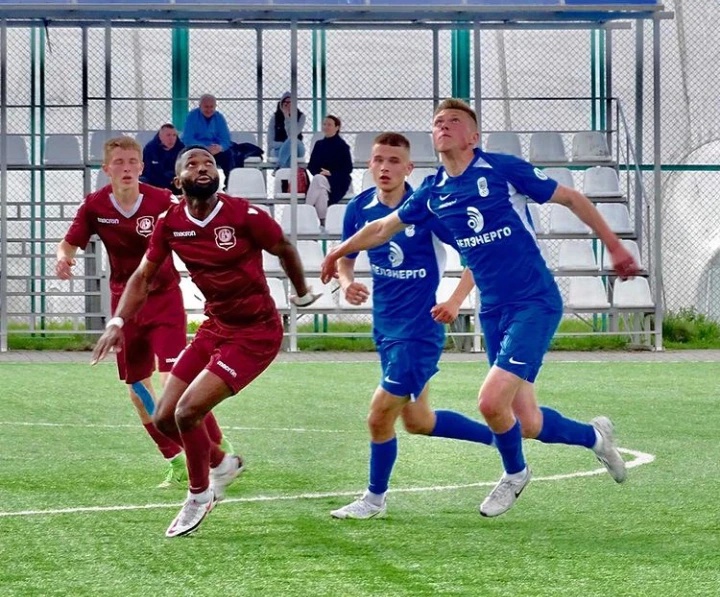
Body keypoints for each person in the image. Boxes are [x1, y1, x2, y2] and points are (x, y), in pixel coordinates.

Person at [321, 98, 640, 519]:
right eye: (438, 121)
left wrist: (615, 246)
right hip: (493, 309)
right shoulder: (434, 192)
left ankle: (515, 473)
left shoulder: (501, 169)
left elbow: (572, 199)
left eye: (454, 121)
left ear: (473, 136)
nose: (444, 126)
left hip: (534, 300)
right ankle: (596, 438)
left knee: (490, 402)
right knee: (526, 421)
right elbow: (382, 228)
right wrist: (337, 254)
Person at [91, 147, 320, 538]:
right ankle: (222, 465)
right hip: (216, 327)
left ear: (219, 176)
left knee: (187, 412)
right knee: (165, 418)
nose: (202, 168)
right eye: (192, 164)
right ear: (177, 181)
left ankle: (199, 496)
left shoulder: (244, 214)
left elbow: (283, 246)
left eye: (209, 164)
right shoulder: (170, 222)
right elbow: (143, 277)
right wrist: (117, 321)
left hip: (255, 333)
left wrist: (301, 293)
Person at [329, 132, 494, 520]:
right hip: (385, 329)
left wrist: (455, 300)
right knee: (419, 421)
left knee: (378, 416)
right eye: (378, 160)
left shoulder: (427, 210)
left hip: (419, 331)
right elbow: (345, 257)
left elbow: (477, 254)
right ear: (370, 165)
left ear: (409, 168)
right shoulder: (359, 208)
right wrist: (347, 282)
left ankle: (374, 500)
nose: (384, 167)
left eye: (393, 161)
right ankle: (503, 437)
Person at [56, 136, 232, 489]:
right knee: (137, 389)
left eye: (132, 161)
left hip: (164, 298)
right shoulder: (94, 206)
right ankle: (175, 459)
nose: (126, 168)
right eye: (118, 162)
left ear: (141, 166)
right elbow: (69, 243)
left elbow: (194, 224)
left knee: (174, 380)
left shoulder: (161, 200)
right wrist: (64, 258)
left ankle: (218, 449)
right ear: (107, 169)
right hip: (124, 303)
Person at [305, 114, 353, 226]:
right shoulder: (319, 144)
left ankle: (306, 211)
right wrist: (320, 172)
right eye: (324, 124)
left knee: (318, 179)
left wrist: (330, 173)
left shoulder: (342, 146)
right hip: (321, 180)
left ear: (337, 127)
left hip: (338, 181)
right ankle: (323, 222)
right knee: (321, 191)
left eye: (329, 125)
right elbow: (312, 165)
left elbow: (347, 168)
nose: (326, 127)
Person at [181, 94, 233, 180]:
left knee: (229, 155)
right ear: (200, 106)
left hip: (215, 151)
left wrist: (220, 147)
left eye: (211, 107)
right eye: (206, 107)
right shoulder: (192, 116)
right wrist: (205, 148)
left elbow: (226, 139)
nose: (209, 110)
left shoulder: (219, 118)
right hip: (196, 149)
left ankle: (229, 183)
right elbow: (187, 138)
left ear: (215, 106)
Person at [140, 123, 185, 193]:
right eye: (168, 135)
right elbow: (147, 171)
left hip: (174, 182)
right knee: (142, 180)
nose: (171, 138)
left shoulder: (181, 149)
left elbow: (183, 170)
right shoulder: (150, 149)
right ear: (160, 137)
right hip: (155, 183)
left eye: (174, 135)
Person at [266, 92, 306, 168]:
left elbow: (292, 135)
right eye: (285, 102)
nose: (287, 105)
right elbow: (270, 142)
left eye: (290, 102)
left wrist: (287, 117)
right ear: (281, 104)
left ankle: (279, 168)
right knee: (288, 153)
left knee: (292, 140)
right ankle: (289, 174)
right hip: (278, 149)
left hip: (297, 147)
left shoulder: (301, 116)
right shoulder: (275, 117)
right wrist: (285, 146)